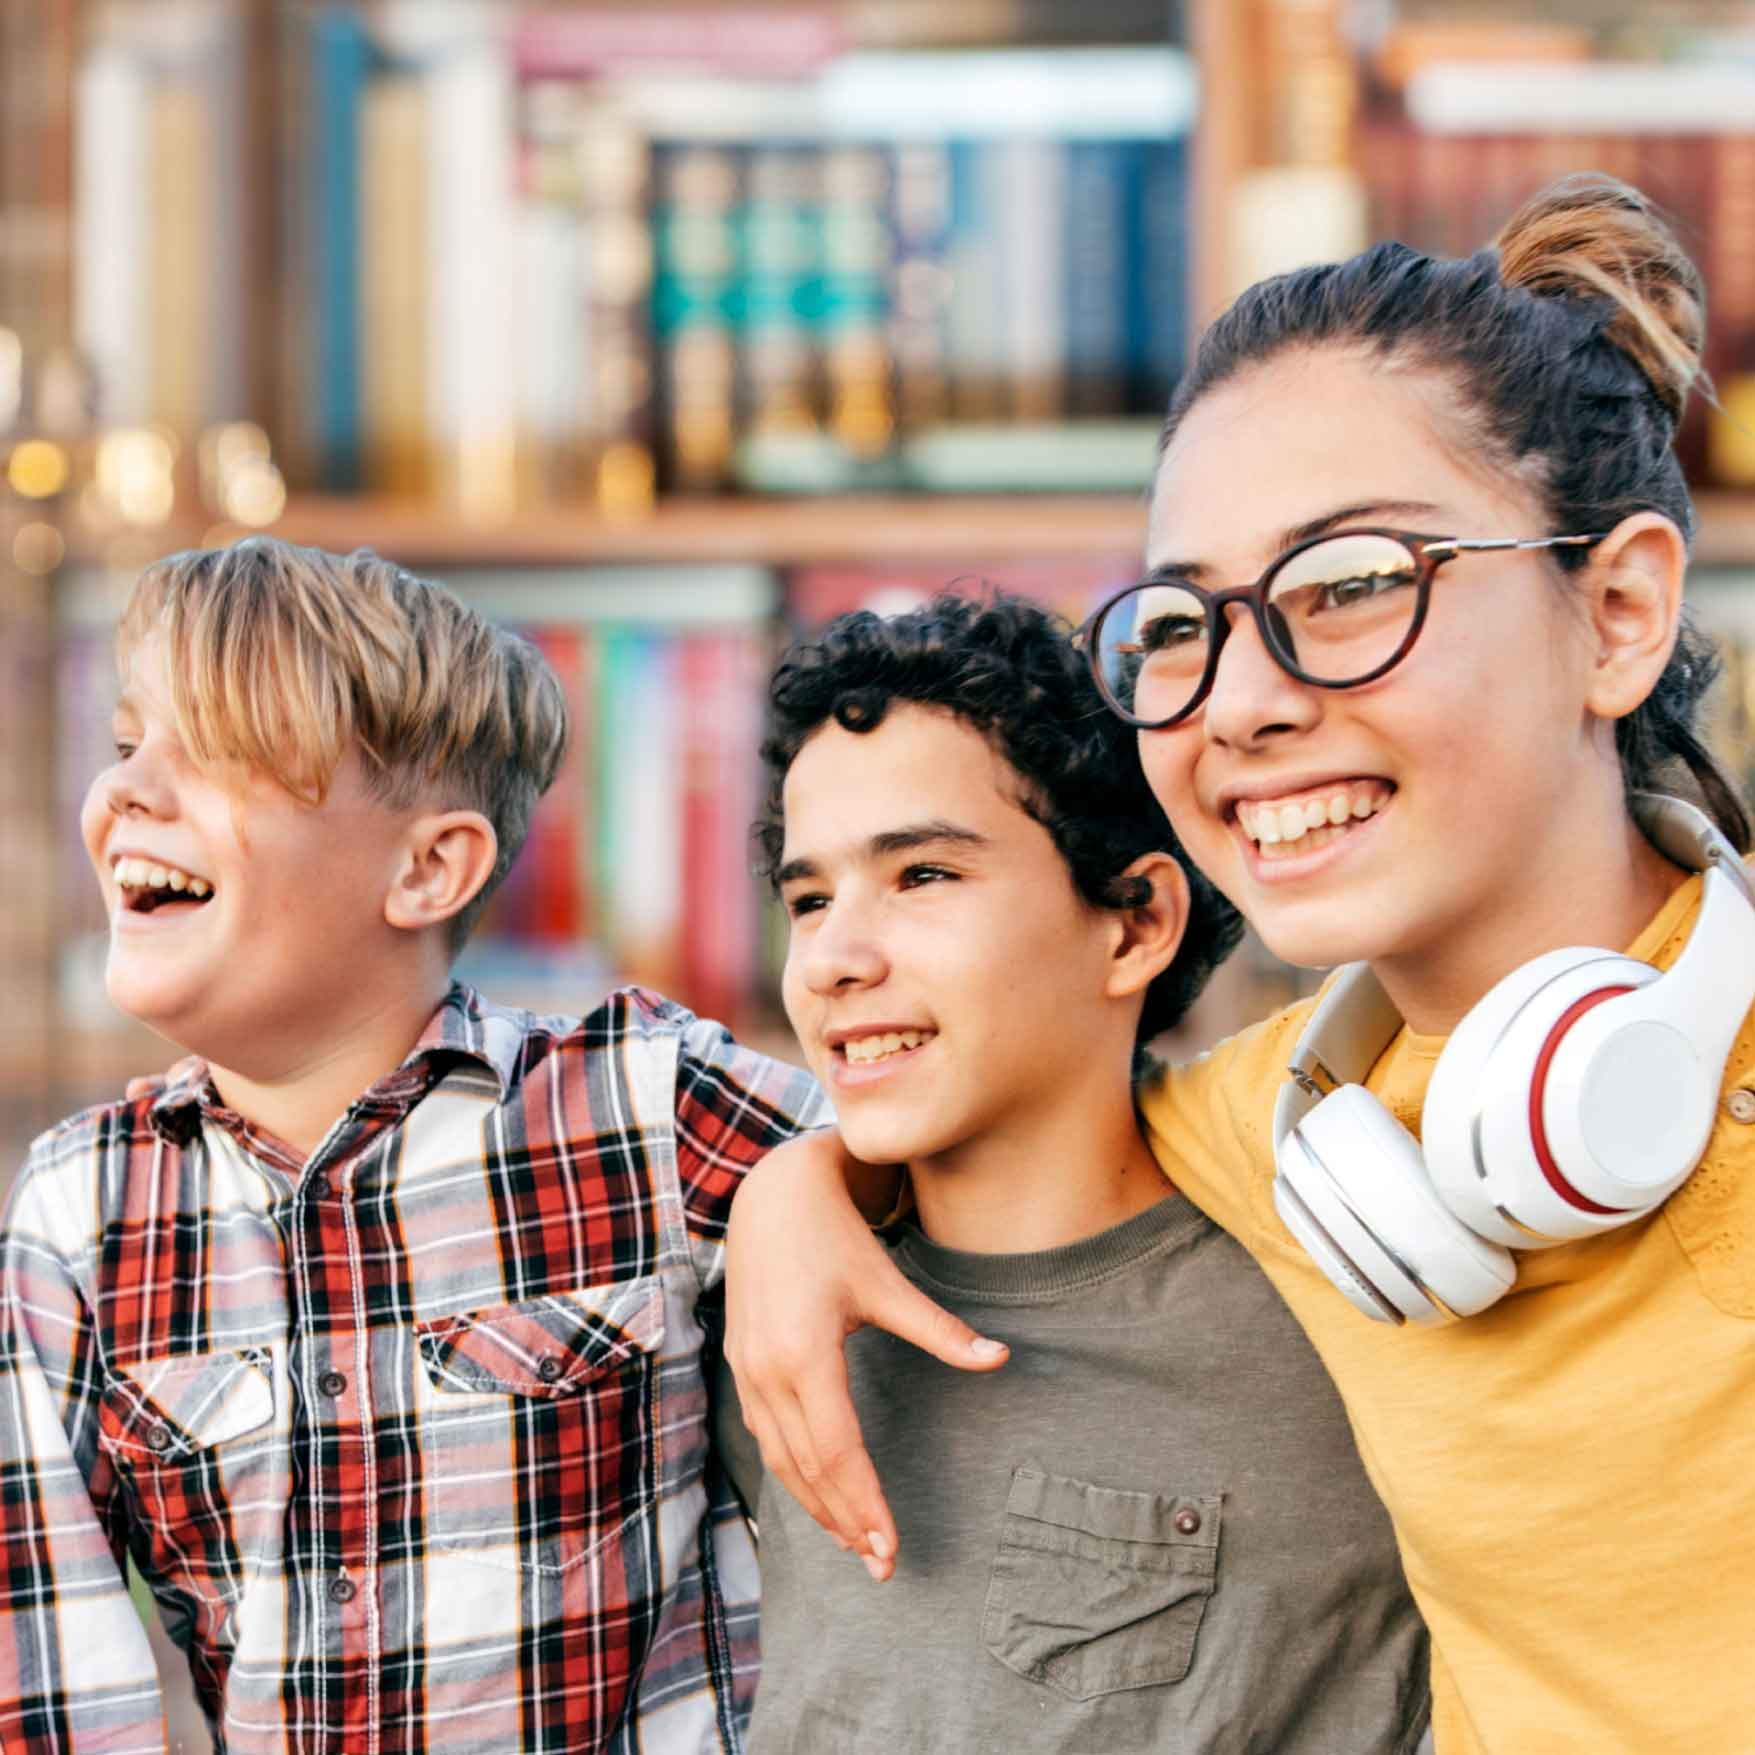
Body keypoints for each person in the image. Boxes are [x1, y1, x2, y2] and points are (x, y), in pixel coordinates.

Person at [723, 174, 1755, 1754]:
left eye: (1348, 587)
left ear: (1611, 614)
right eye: (1182, 626)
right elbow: (993, 1113)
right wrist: (793, 1198)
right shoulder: (1281, 1132)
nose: (1240, 702)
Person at [0, 538, 823, 1754]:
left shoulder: (646, 1101)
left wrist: (814, 1184)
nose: (125, 791)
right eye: (128, 745)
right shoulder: (83, 1208)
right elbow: (53, 1681)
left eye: (219, 753)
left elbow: (953, 1165)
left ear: (430, 867)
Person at [712, 591, 1429, 1753]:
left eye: (924, 876)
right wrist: (786, 1187)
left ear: (1135, 923)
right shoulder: (754, 1313)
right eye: (807, 898)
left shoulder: (1344, 1291)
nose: (834, 958)